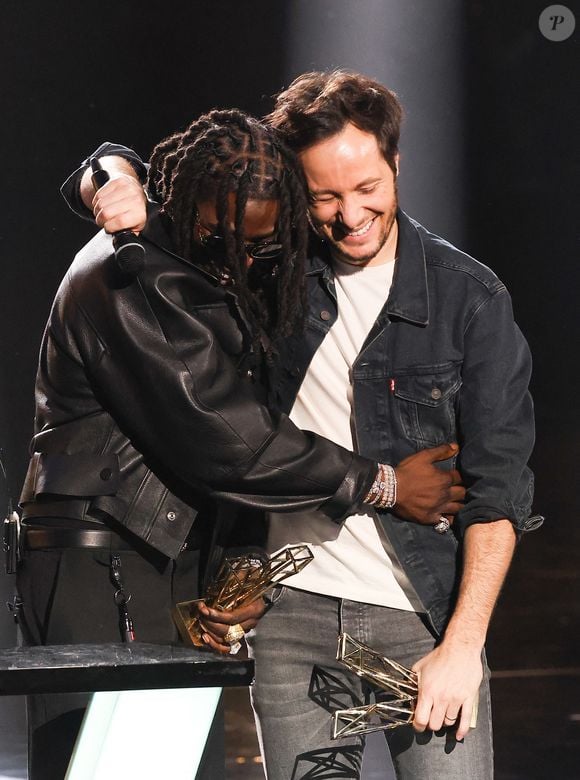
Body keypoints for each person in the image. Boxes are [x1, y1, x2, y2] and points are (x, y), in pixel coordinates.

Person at [74, 71, 539, 780]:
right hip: (290, 619)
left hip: (420, 621)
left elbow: (499, 491)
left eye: (368, 189)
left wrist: (462, 645)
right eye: (325, 196)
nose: (351, 216)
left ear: (396, 165)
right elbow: (135, 167)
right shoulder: (265, 267)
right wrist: (113, 179)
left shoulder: (468, 299)